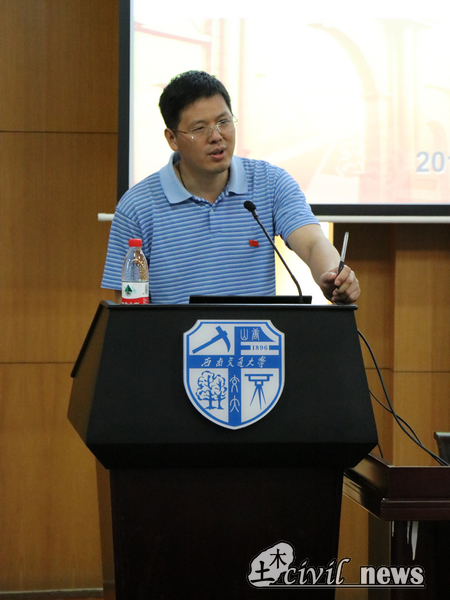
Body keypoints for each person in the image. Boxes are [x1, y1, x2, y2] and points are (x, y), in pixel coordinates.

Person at [102, 70, 360, 305]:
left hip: (255, 339)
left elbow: (313, 242)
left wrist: (331, 276)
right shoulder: (137, 206)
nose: (216, 136)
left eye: (224, 122)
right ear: (172, 138)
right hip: (174, 341)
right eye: (199, 128)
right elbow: (128, 306)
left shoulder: (271, 182)